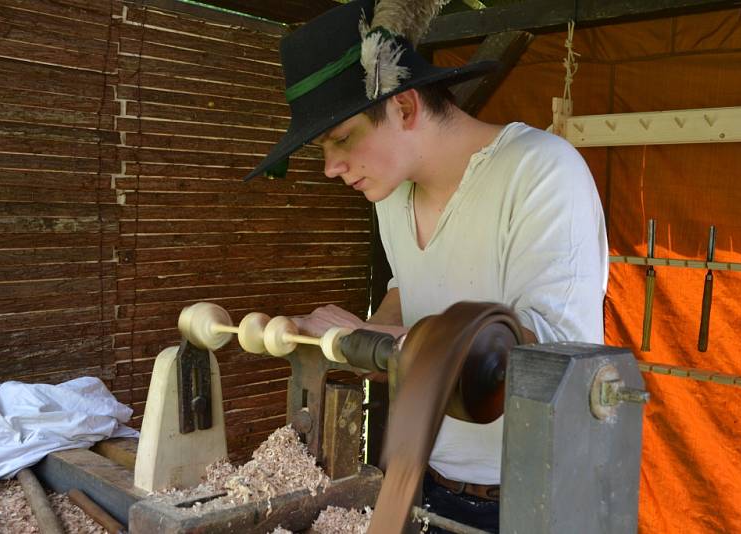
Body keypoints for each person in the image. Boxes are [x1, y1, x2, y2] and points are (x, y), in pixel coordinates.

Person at [246, 1, 608, 531]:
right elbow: (409, 288)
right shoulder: (392, 198)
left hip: (538, 495)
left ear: (405, 108)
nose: (330, 168)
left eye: (342, 138)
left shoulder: (541, 174)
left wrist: (365, 338)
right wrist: (356, 338)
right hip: (429, 481)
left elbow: (551, 362)